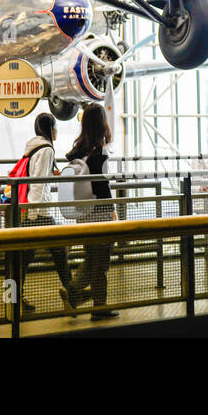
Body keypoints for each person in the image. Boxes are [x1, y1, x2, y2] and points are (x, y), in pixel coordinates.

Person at [16, 112, 82, 314]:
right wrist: (35, 214)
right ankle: (71, 294)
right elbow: (36, 182)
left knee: (25, 258)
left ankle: (14, 299)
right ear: (49, 128)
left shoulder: (34, 146)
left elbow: (36, 175)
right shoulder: (46, 150)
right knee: (58, 251)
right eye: (55, 126)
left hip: (32, 211)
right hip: (39, 212)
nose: (57, 130)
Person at [63, 104, 118, 319]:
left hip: (83, 212)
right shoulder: (99, 150)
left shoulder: (79, 148)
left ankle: (79, 294)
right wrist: (112, 210)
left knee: (93, 256)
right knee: (101, 259)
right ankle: (94, 304)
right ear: (102, 121)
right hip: (100, 211)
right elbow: (102, 185)